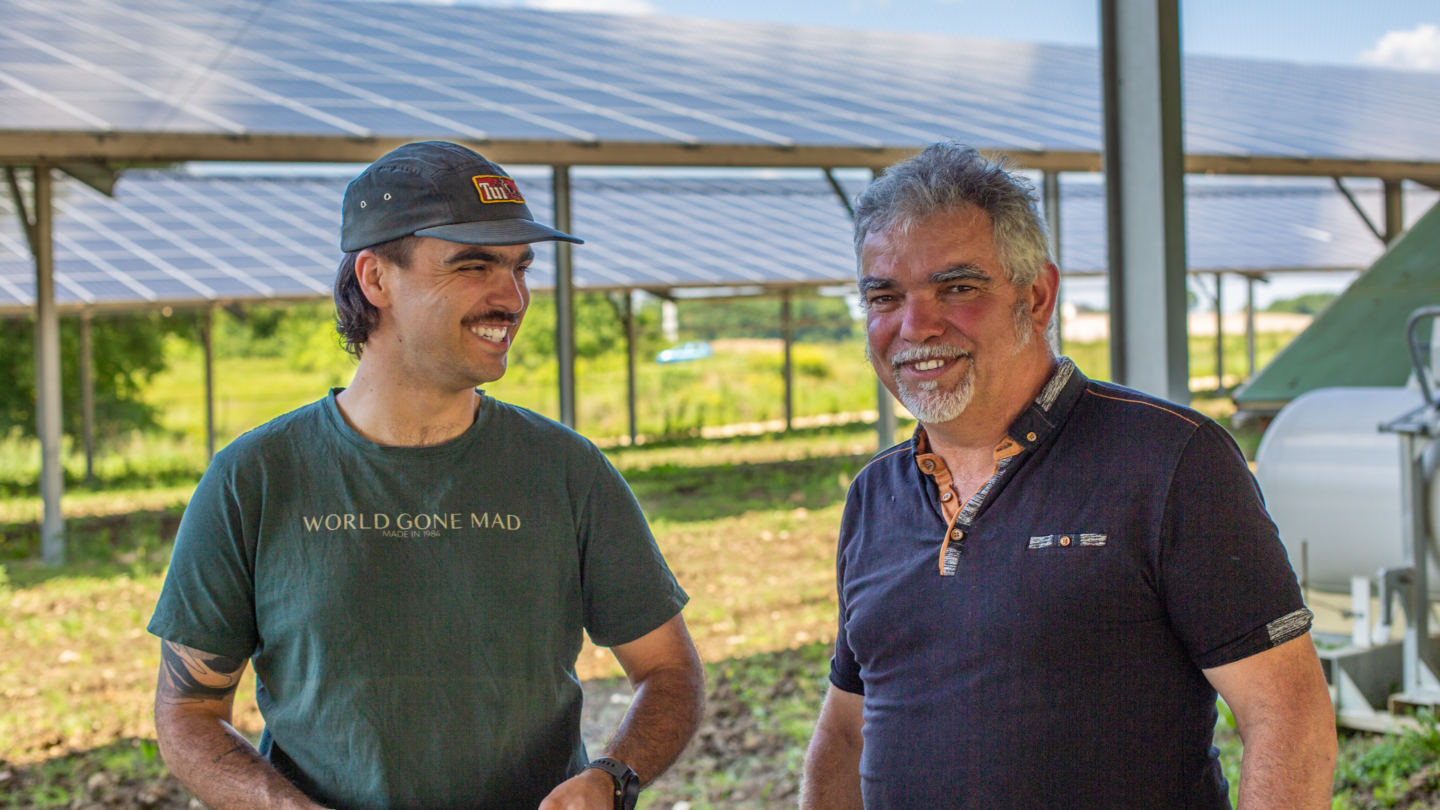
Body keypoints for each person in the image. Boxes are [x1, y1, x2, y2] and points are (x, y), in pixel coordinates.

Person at [148, 142, 705, 810]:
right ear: (375, 279)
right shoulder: (255, 478)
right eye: (474, 266)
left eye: (520, 267)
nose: (513, 298)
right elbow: (188, 712)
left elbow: (668, 671)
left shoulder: (566, 470)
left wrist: (611, 776)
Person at [800, 142, 1336, 809]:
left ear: (1037, 295)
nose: (915, 326)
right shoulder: (874, 495)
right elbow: (846, 732)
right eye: (884, 297)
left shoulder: (1169, 460)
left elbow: (1287, 717)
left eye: (956, 288)